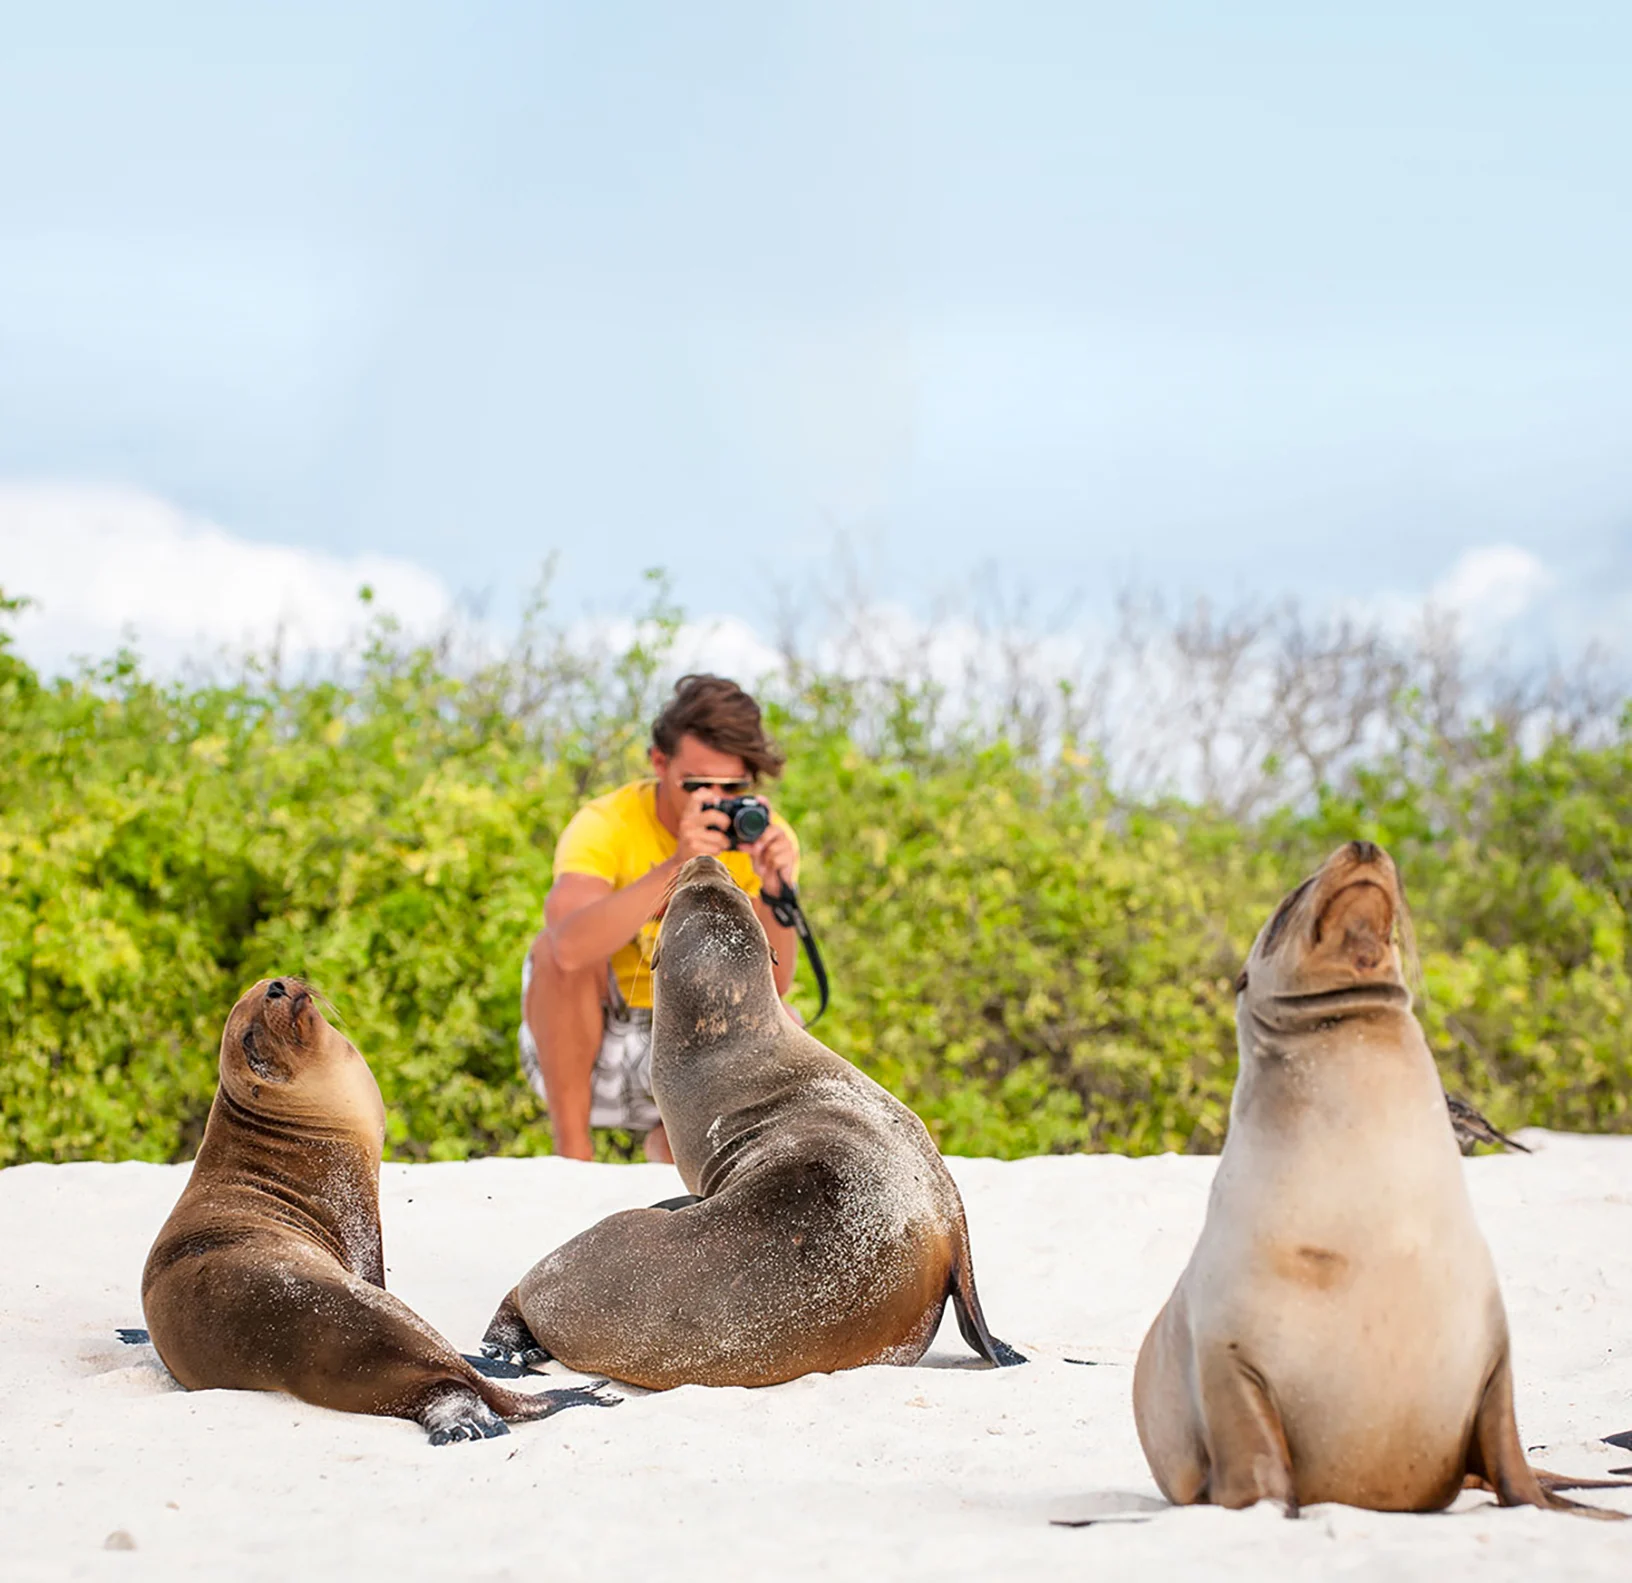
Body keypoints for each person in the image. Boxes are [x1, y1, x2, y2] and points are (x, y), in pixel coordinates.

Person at [519, 674, 801, 1162]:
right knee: (552, 948)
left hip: (698, 1038)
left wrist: (778, 893)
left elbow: (774, 987)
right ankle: (572, 1154)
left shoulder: (762, 838)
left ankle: (673, 1150)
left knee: (788, 1026)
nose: (713, 799)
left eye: (733, 786)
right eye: (696, 784)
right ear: (659, 762)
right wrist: (677, 866)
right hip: (596, 1038)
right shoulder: (606, 823)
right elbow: (566, 947)